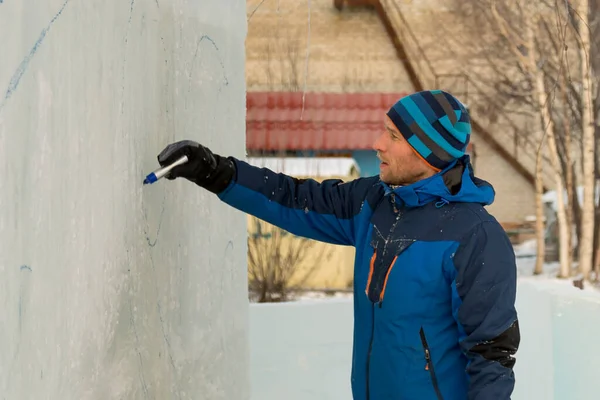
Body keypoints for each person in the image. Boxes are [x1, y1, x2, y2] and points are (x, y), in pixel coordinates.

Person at [156, 90, 520, 400]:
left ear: (428, 154)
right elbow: (294, 198)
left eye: (393, 137)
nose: (377, 143)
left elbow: (492, 353)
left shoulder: (476, 237)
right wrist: (215, 171)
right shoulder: (374, 201)